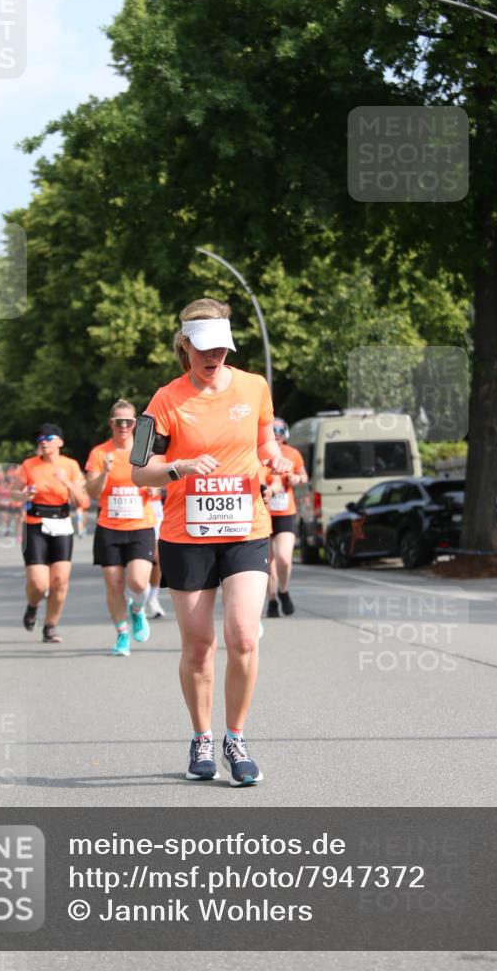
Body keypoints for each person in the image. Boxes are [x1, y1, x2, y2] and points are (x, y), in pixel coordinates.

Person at [131, 298, 292, 786]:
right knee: (200, 645)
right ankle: (201, 738)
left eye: (222, 348)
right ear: (184, 345)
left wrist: (277, 458)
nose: (213, 356)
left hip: (246, 527)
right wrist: (178, 467)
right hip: (187, 534)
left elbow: (265, 442)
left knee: (244, 635)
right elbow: (140, 472)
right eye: (203, 348)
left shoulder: (254, 386)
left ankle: (235, 738)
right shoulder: (163, 401)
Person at [86, 400, 157, 656]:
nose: (124, 426)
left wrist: (155, 486)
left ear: (135, 424)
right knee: (114, 584)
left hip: (141, 525)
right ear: (111, 424)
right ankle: (122, 635)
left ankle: (137, 610)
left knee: (138, 581)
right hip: (109, 527)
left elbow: (162, 482)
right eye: (119, 422)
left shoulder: (145, 451)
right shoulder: (99, 453)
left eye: (129, 421)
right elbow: (92, 492)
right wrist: (104, 472)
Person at [12, 423, 86, 643]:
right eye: (40, 439)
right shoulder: (28, 465)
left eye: (49, 437)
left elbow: (81, 501)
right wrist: (23, 495)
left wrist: (66, 482)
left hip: (62, 523)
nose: (43, 441)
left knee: (60, 581)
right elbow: (14, 494)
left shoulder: (70, 466)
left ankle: (50, 626)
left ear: (60, 442)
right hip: (34, 524)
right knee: (39, 584)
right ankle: (33, 605)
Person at [264, 417, 308, 617]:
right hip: (263, 513)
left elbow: (304, 476)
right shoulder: (259, 454)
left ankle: (283, 590)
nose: (277, 437)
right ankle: (272, 600)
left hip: (285, 512)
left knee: (284, 558)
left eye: (280, 433)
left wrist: (296, 478)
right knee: (267, 562)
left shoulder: (293, 454)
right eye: (273, 433)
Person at [146, 489, 166, 618]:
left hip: (154, 505)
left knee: (157, 556)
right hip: (132, 503)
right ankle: (138, 596)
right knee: (137, 557)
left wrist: (159, 487)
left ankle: (153, 598)